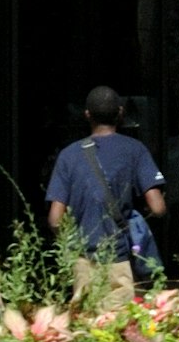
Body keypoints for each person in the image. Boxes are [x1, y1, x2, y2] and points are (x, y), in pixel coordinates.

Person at [43, 88, 167, 292]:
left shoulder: (68, 156)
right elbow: (158, 208)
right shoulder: (135, 149)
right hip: (122, 260)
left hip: (83, 263)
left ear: (87, 115)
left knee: (88, 321)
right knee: (123, 321)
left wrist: (75, 246)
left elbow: (55, 220)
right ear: (120, 113)